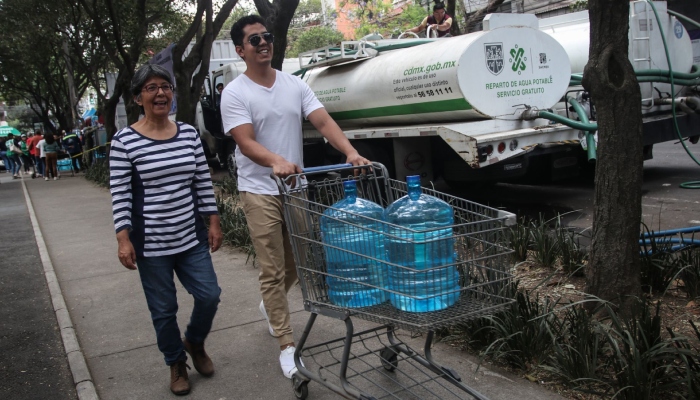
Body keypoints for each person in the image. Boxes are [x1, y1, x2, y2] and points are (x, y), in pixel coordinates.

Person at [220, 15, 371, 380]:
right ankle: (288, 346)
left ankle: (268, 306)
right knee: (272, 268)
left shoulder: (294, 84)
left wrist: (350, 152)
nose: (263, 43)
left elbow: (322, 122)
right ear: (241, 50)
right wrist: (275, 161)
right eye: (254, 40)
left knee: (299, 259)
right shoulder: (235, 92)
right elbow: (245, 140)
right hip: (259, 189)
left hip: (296, 188)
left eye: (266, 37)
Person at [109, 63, 223, 396]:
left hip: (190, 237)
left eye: (166, 86)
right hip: (150, 244)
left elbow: (202, 180)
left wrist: (213, 221)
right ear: (137, 98)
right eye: (151, 88)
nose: (160, 93)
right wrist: (123, 239)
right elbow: (120, 193)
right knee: (163, 310)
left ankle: (195, 342)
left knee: (209, 295)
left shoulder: (188, 133)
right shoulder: (124, 140)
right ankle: (176, 362)